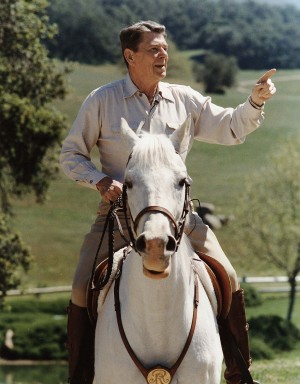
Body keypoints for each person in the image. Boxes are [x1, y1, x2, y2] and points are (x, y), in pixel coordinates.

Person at [60, 20, 276, 384]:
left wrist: (255, 101)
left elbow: (229, 127)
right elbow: (70, 155)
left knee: (228, 276)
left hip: (180, 217)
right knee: (82, 287)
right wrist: (99, 180)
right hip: (118, 217)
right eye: (154, 49)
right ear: (130, 56)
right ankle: (80, 377)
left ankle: (240, 373)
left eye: (165, 48)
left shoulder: (184, 98)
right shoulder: (101, 100)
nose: (164, 55)